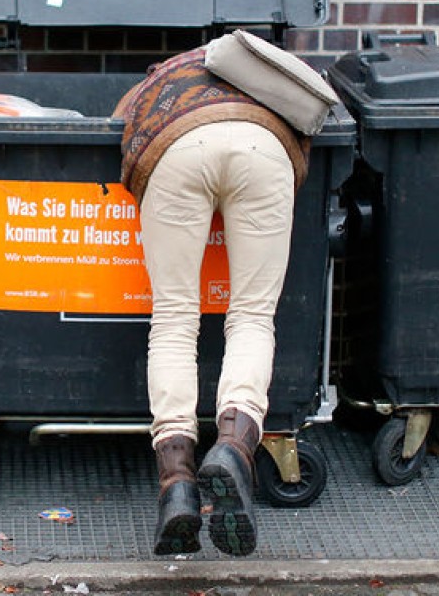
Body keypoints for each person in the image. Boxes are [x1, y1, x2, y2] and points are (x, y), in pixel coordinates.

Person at [114, 32, 311, 557]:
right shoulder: (260, 75)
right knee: (250, 317)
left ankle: (175, 484)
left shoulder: (159, 84)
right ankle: (234, 447)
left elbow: (118, 127)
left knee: (174, 319)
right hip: (263, 149)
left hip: (178, 150)